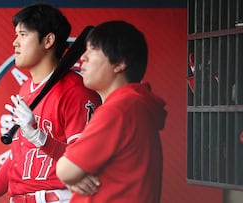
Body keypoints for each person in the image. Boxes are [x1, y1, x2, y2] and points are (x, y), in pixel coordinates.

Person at [0, 3, 101, 203]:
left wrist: (39, 137)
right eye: (16, 35)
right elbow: (17, 161)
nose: (15, 42)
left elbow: (85, 162)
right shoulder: (26, 90)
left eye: (23, 35)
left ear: (48, 40)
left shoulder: (75, 90)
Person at [56, 20, 167, 203]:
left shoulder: (119, 109)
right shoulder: (132, 105)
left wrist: (72, 174)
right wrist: (74, 175)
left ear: (120, 63)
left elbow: (66, 170)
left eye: (93, 49)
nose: (83, 57)